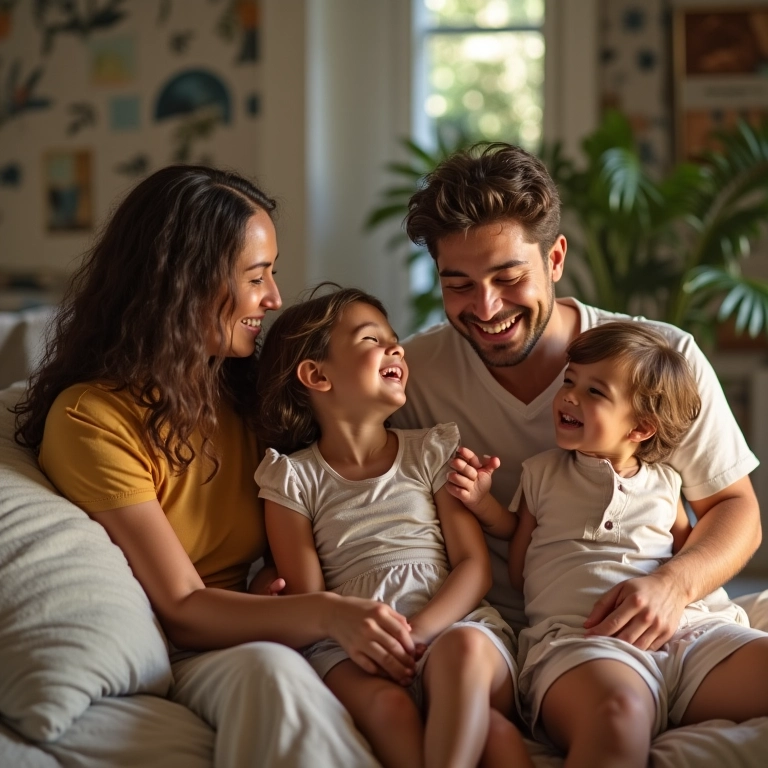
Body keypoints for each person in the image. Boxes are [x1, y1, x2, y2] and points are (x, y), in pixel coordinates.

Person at [12, 166, 421, 768]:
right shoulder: (93, 418)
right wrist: (327, 613)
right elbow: (181, 606)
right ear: (184, 283)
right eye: (257, 276)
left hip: (284, 622)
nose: (274, 298)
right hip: (195, 648)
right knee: (272, 676)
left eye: (272, 274)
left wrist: (272, 590)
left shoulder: (245, 393)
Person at [390, 141, 761, 647]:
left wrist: (672, 586)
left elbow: (735, 508)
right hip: (532, 639)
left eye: (509, 277)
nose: (486, 306)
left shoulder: (665, 354)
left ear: (555, 258)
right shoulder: (410, 376)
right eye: (458, 285)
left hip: (678, 621)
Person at [448, 321, 768, 767]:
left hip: (689, 634)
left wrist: (677, 594)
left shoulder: (667, 483)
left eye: (595, 392)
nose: (568, 397)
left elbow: (686, 554)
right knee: (619, 718)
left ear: (641, 428)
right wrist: (482, 503)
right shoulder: (541, 474)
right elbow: (521, 566)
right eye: (570, 381)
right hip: (586, 641)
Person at [253, 285, 530, 768]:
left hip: (452, 624)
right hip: (354, 646)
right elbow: (312, 598)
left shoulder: (431, 451)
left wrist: (420, 631)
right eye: (370, 340)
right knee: (416, 715)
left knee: (461, 653)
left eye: (394, 339)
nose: (395, 348)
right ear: (317, 375)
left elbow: (474, 567)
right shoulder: (291, 479)